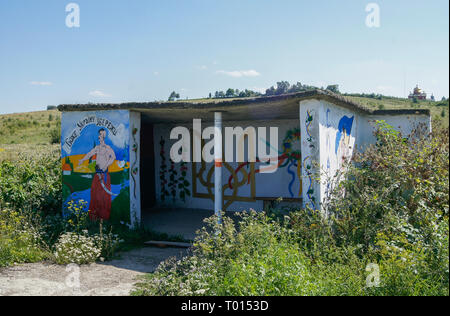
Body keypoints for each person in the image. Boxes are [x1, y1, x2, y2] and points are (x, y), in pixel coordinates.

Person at [78, 128, 116, 220]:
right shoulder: (97, 148)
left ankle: (104, 217)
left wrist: (106, 165)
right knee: (94, 194)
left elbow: (113, 157)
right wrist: (82, 160)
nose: (100, 136)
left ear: (104, 136)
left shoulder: (108, 148)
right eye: (99, 134)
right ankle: (94, 216)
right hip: (97, 175)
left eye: (102, 134)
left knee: (104, 196)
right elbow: (90, 154)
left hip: (104, 175)